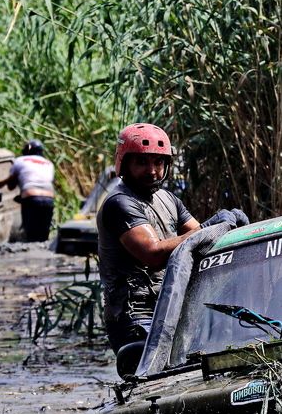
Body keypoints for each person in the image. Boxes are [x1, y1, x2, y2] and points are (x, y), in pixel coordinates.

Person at [97, 122, 244, 354]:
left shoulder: (168, 199)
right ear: (124, 163)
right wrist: (211, 225)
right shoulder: (120, 203)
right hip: (136, 314)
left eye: (158, 162)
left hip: (169, 306)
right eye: (142, 162)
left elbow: (204, 241)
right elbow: (152, 254)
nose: (152, 170)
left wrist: (233, 229)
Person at [0, 139, 55, 242]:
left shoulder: (20, 160)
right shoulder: (49, 164)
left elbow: (11, 185)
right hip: (49, 199)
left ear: (26, 151)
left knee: (30, 233)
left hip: (31, 198)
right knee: (44, 234)